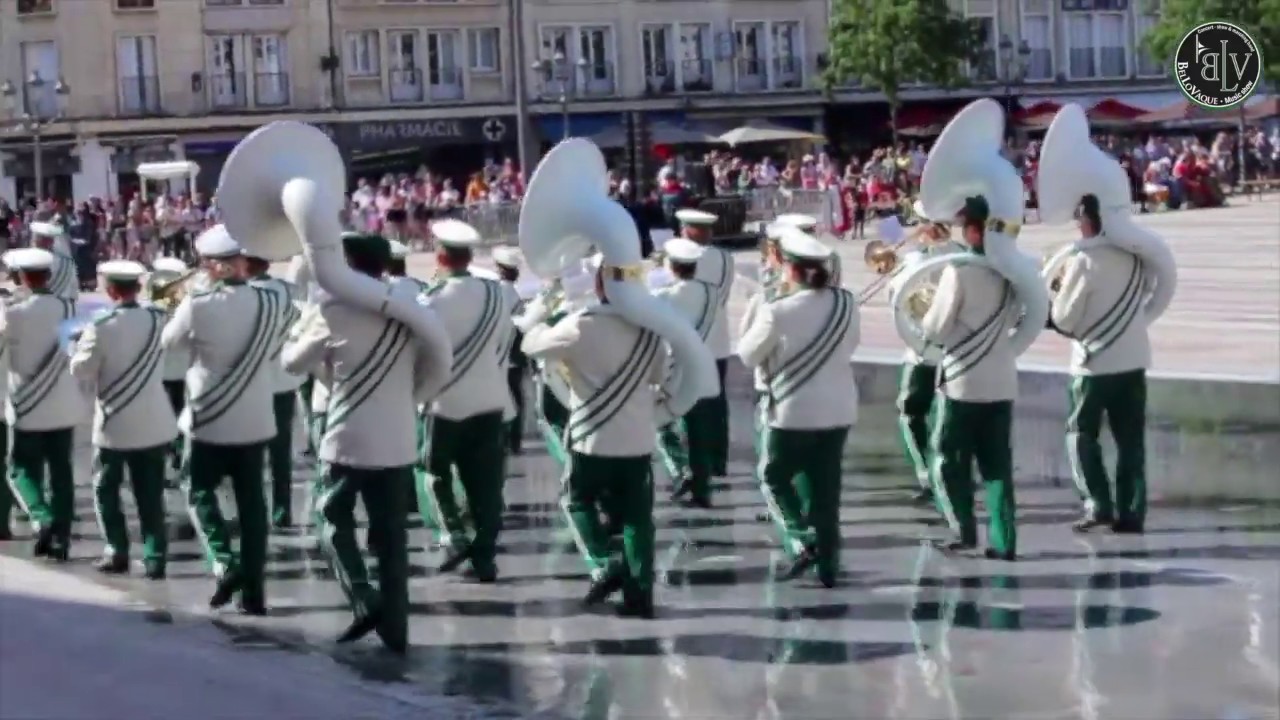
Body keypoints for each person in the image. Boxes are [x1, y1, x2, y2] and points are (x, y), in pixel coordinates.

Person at [282, 232, 449, 654]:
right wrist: (408, 399)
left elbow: (292, 364)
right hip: (396, 436)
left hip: (346, 436)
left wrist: (300, 331)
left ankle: (364, 597)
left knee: (331, 518)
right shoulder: (413, 306)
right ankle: (397, 629)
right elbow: (436, 366)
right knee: (392, 537)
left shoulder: (333, 310)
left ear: (349, 267)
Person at [1038, 106, 1177, 536]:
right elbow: (1157, 292)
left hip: (1093, 364)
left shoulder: (1081, 262)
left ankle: (1098, 503)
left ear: (1087, 220)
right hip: (1134, 358)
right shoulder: (1137, 256)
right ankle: (1132, 512)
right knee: (1131, 440)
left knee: (1081, 434)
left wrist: (1054, 297)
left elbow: (1064, 316)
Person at [161, 225, 291, 613]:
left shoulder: (198, 304)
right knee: (253, 506)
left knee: (198, 489)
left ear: (218, 267)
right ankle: (255, 592)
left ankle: (223, 561)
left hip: (209, 416)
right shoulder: (273, 302)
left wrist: (183, 302)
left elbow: (170, 344)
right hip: (254, 418)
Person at [737, 229, 860, 588]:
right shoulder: (846, 303)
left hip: (792, 413)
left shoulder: (778, 310)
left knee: (773, 477)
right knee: (827, 490)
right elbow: (850, 346)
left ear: (790, 269)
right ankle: (829, 567)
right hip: (838, 410)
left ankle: (802, 538)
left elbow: (748, 355)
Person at [420, 220, 515, 582]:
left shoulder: (429, 299)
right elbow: (504, 343)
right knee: (486, 486)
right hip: (490, 398)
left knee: (435, 474)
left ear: (441, 256)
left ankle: (453, 536)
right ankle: (485, 558)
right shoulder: (497, 294)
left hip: (444, 402)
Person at [68, 260, 175, 579]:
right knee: (151, 493)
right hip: (153, 419)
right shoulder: (158, 318)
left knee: (106, 489)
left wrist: (75, 349)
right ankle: (155, 556)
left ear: (111, 290)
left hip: (115, 421)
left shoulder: (101, 324)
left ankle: (117, 550)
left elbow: (81, 370)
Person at [1, 247, 80, 560]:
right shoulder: (70, 308)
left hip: (28, 404)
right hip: (62, 403)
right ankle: (60, 538)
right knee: (62, 474)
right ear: (48, 277)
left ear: (22, 277)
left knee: (19, 470)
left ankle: (40, 516)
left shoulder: (13, 312)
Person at [893, 210, 966, 504]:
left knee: (910, 412)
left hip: (922, 349)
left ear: (925, 226)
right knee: (950, 418)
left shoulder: (915, 260)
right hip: (957, 348)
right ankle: (955, 476)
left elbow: (897, 299)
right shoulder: (962, 255)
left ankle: (928, 477)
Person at [652, 238, 718, 507]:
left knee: (661, 425)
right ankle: (702, 488)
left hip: (676, 373)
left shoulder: (664, 297)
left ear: (671, 265)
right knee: (699, 435)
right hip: (704, 370)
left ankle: (682, 471)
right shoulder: (711, 292)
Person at [246, 253, 305, 530]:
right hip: (282, 379)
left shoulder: (243, 296)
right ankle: (282, 510)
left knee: (252, 454)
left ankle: (256, 510)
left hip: (252, 382)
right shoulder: (285, 290)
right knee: (281, 452)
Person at [678, 208, 733, 477]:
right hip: (717, 339)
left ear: (687, 231)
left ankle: (693, 463)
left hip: (690, 338)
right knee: (718, 402)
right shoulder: (724, 258)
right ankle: (718, 459)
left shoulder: (679, 258)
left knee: (689, 401)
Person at [150, 256, 193, 480]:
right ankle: (177, 455)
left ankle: (172, 456)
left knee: (165, 415)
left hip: (163, 369)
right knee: (177, 411)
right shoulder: (187, 303)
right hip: (182, 368)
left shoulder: (157, 306)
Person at [492, 246, 528, 454]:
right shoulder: (515, 294)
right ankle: (515, 441)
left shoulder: (496, 291)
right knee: (516, 397)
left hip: (498, 355)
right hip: (514, 356)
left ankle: (503, 440)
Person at [28, 221, 78, 301]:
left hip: (51, 304)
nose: (33, 242)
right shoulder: (66, 261)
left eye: (35, 239)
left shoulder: (58, 262)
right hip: (63, 306)